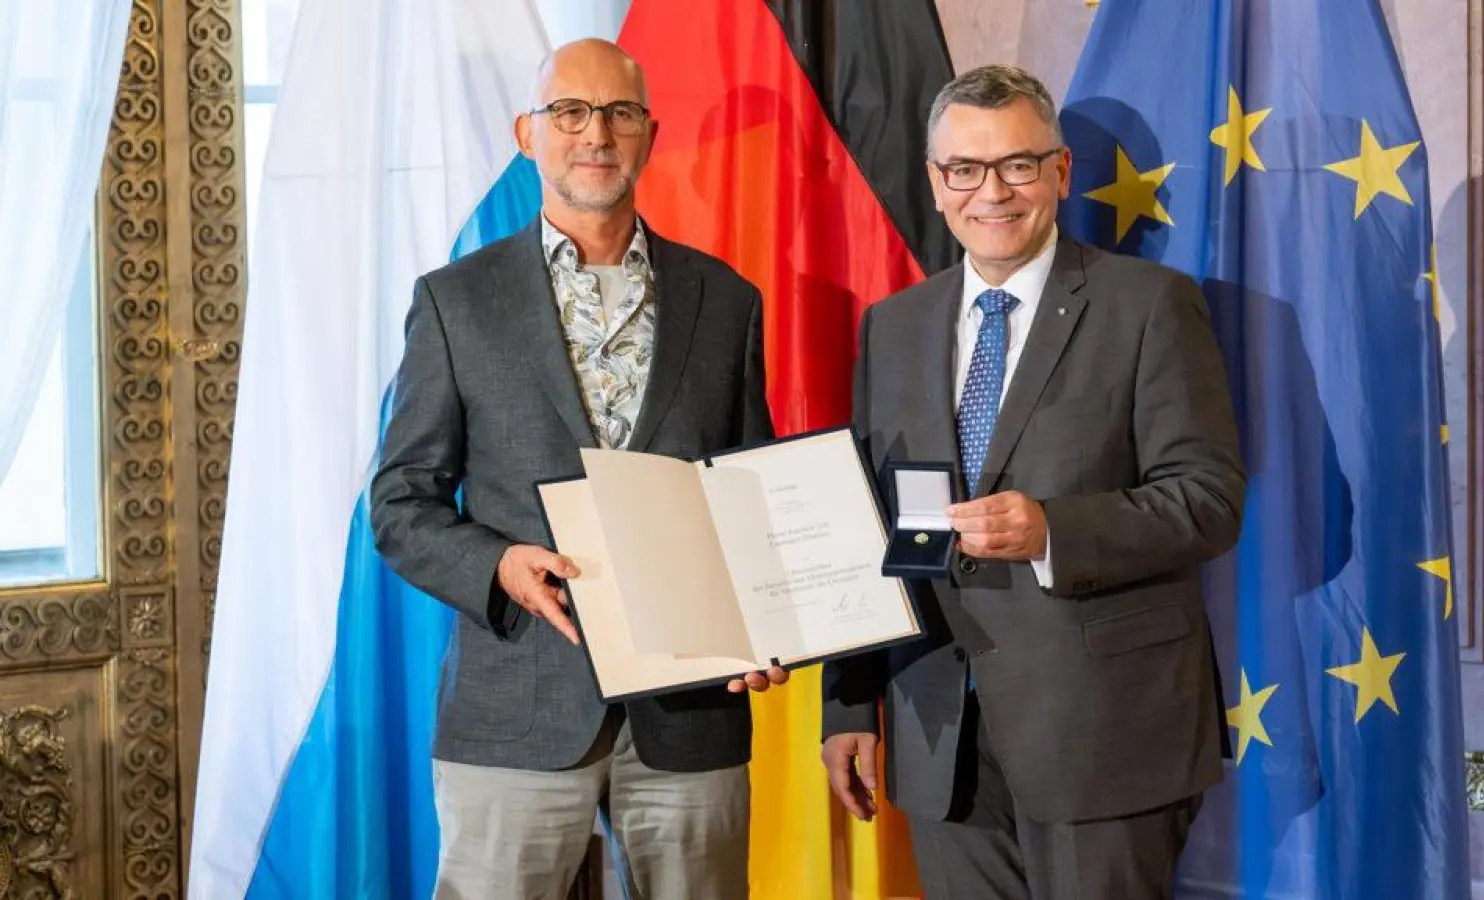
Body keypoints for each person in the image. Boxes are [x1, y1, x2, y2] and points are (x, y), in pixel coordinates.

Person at [371, 38, 786, 900]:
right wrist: (496, 564)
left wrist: (769, 624)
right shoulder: (457, 301)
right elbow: (399, 503)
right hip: (515, 711)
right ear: (529, 133)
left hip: (690, 713)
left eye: (619, 112)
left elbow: (748, 496)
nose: (595, 132)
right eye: (570, 112)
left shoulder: (727, 301)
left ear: (649, 134)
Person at [820, 64, 1245, 900]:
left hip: (1104, 740)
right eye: (966, 170)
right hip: (939, 731)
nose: (993, 192)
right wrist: (847, 705)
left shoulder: (1151, 306)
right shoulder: (895, 326)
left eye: (1018, 164)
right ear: (937, 184)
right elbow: (872, 527)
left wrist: (1053, 530)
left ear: (1060, 172)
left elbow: (1208, 498)